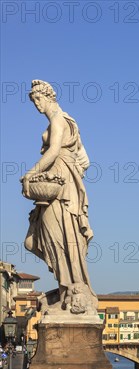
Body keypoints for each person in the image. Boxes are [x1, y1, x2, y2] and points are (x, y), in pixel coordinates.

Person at [22, 79, 97, 313]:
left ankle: (71, 291)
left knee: (61, 238)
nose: (36, 104)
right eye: (33, 100)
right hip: (56, 183)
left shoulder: (58, 119)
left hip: (60, 186)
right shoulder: (64, 120)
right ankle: (65, 289)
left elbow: (54, 150)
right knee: (38, 240)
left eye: (38, 99)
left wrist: (31, 173)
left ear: (48, 97)